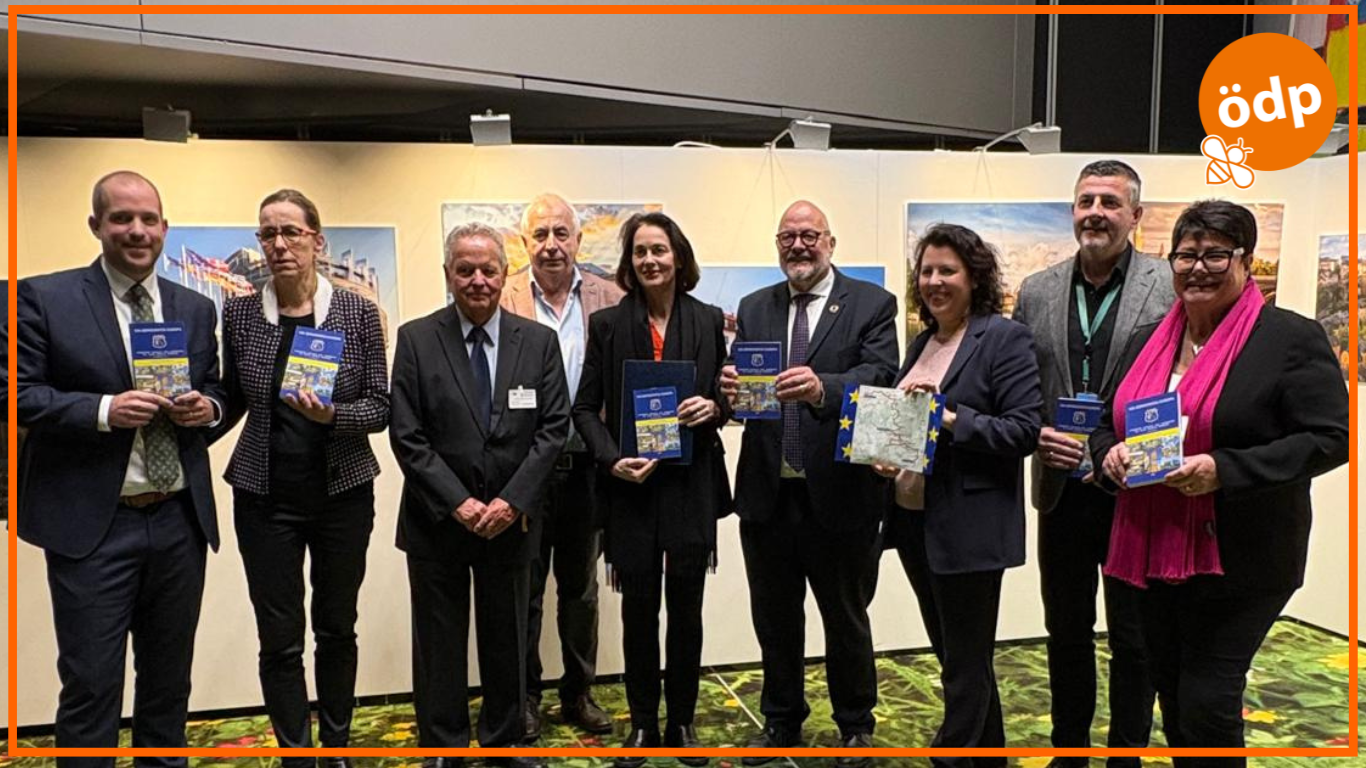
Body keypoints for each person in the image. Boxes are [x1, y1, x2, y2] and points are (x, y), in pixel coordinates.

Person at [1094, 200, 1348, 767]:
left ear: (1246, 261)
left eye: (1215, 255)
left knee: (1208, 700)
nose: (1198, 268)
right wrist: (1109, 453)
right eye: (1186, 255)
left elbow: (1332, 438)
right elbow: (1109, 421)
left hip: (1243, 558)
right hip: (1152, 551)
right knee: (1173, 691)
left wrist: (1224, 470)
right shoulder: (1147, 340)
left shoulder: (1288, 338)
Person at [16, 171, 224, 766]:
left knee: (169, 685)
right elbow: (15, 393)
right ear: (96, 226)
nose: (137, 230)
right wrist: (105, 410)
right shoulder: (45, 298)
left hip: (179, 522)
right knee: (91, 685)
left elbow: (216, 389)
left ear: (164, 227)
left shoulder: (194, 308)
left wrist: (208, 408)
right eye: (121, 218)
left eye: (148, 219)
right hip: (94, 529)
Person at [719, 200, 898, 767]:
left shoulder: (870, 303)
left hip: (840, 493)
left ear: (830, 242)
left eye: (809, 236)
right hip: (767, 494)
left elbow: (880, 376)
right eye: (787, 237)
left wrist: (823, 388)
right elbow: (749, 391)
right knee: (774, 617)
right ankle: (780, 721)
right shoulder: (755, 307)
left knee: (846, 617)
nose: (798, 246)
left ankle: (855, 725)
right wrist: (731, 389)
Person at [216, 189, 390, 767]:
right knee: (279, 638)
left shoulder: (357, 312)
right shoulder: (240, 313)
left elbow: (380, 407)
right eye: (268, 233)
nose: (279, 244)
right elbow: (233, 396)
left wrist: (332, 416)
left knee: (337, 628)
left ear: (317, 240)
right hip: (264, 497)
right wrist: (201, 413)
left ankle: (335, 746)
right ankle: (296, 751)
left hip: (342, 494)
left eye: (291, 232)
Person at [390, 222, 569, 768]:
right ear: (448, 274)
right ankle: (442, 746)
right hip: (437, 521)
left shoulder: (537, 342)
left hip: (511, 521)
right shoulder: (417, 339)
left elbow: (553, 430)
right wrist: (459, 503)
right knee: (438, 642)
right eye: (465, 270)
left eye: (488, 269)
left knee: (507, 638)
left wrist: (512, 501)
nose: (477, 280)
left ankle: (504, 741)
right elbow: (407, 435)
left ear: (504, 273)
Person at [1013, 160, 1167, 766]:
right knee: (1066, 630)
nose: (1095, 213)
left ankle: (1127, 754)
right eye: (1086, 202)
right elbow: (1020, 386)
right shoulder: (1037, 290)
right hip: (1061, 488)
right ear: (1072, 211)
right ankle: (1069, 750)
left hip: (1135, 487)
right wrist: (1037, 434)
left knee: (1134, 635)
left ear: (1135, 215)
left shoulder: (1167, 284)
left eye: (1109, 202)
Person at [875, 224, 1040, 766]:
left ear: (974, 277)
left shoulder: (1003, 338)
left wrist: (950, 417)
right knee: (956, 654)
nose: (934, 281)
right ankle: (988, 756)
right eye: (926, 271)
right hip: (915, 520)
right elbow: (911, 427)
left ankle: (954, 757)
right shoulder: (922, 342)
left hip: (970, 525)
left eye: (948, 270)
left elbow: (1022, 431)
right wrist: (888, 455)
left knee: (965, 661)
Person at [573, 212, 731, 765]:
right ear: (629, 262)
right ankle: (643, 723)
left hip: (691, 486)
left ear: (678, 256)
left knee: (687, 612)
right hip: (631, 489)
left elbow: (728, 394)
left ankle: (681, 722)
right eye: (639, 251)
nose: (649, 260)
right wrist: (612, 459)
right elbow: (584, 409)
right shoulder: (608, 325)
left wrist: (715, 407)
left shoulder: (709, 320)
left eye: (659, 250)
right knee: (638, 614)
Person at [501, 193, 623, 740]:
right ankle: (524, 698)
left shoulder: (609, 297)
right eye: (540, 235)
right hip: (523, 470)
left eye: (561, 233)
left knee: (580, 591)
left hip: (586, 469)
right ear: (524, 243)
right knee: (523, 589)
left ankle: (578, 693)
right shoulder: (502, 297)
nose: (551, 245)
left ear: (578, 239)